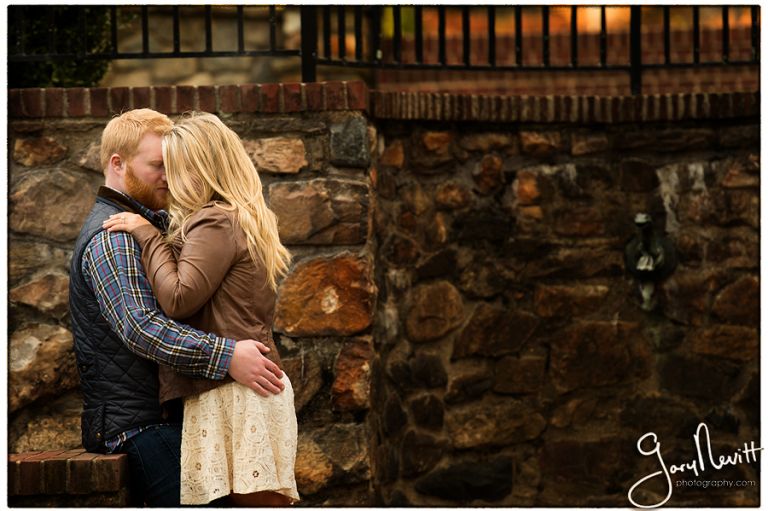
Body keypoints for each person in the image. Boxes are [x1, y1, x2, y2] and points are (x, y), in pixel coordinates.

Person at [69, 108, 286, 507]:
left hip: (169, 419)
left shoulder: (158, 223)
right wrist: (228, 356)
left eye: (174, 166)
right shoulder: (112, 236)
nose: (169, 176)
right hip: (140, 428)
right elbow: (141, 327)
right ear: (118, 164)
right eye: (157, 166)